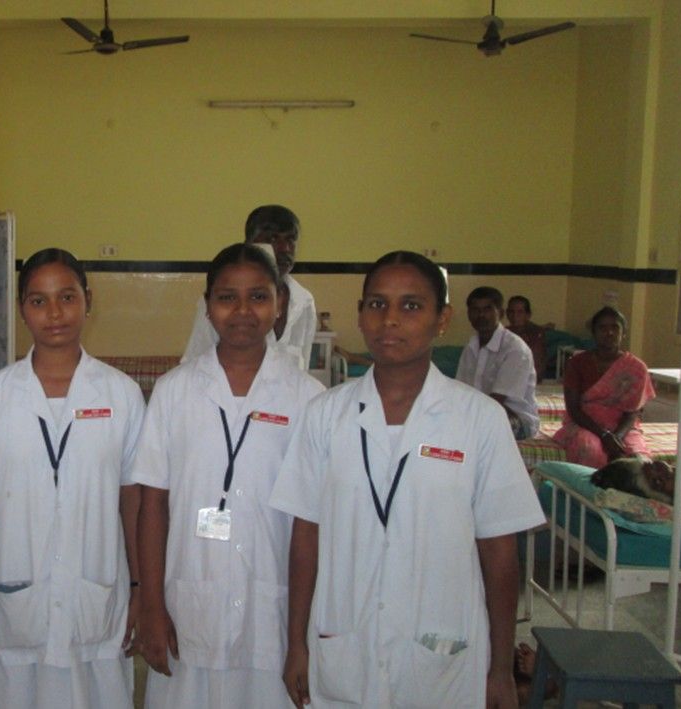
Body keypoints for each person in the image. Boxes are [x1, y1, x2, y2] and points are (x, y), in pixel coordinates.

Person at [271, 250, 544, 708]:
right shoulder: (325, 415)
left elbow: (500, 554)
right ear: (361, 314)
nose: (390, 320)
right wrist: (295, 642)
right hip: (344, 643)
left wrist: (500, 668)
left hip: (442, 655)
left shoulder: (479, 419)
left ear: (443, 319)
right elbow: (305, 536)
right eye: (377, 304)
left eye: (411, 305)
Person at [134, 243, 325, 709]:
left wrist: (301, 637)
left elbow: (309, 524)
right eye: (227, 298)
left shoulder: (308, 399)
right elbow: (152, 506)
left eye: (258, 297)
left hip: (274, 609)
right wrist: (152, 606)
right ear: (207, 306)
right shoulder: (174, 392)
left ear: (279, 304)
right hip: (188, 603)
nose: (242, 311)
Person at [0, 248, 145, 708]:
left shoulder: (121, 396)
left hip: (97, 593)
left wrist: (139, 590)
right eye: (39, 301)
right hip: (15, 597)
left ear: (88, 300)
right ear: (22, 308)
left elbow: (134, 502)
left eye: (67, 297)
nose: (55, 313)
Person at [181, 205, 317, 368]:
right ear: (251, 245)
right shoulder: (220, 300)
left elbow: (304, 368)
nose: (285, 249)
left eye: (290, 240)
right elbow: (194, 361)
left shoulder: (304, 301)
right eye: (273, 239)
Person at [552, 306, 655, 468]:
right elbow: (573, 409)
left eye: (615, 327)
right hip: (585, 425)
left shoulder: (636, 368)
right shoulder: (577, 363)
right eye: (603, 328)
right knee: (590, 449)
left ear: (623, 333)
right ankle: (590, 485)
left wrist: (616, 437)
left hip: (623, 428)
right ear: (593, 333)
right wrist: (604, 435)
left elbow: (632, 412)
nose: (609, 333)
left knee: (639, 461)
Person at [456, 286, 540, 440]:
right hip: (481, 411)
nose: (481, 315)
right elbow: (461, 391)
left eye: (487, 309)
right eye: (475, 310)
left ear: (500, 313)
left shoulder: (515, 349)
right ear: (468, 314)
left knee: (473, 429)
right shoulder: (471, 346)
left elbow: (496, 402)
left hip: (516, 418)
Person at [505, 295, 549, 383]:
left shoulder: (536, 334)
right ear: (506, 313)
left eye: (520, 312)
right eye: (511, 312)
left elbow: (537, 366)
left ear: (528, 315)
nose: (515, 316)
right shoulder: (504, 333)